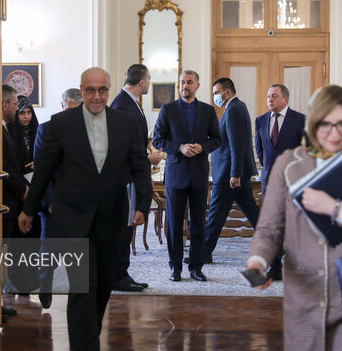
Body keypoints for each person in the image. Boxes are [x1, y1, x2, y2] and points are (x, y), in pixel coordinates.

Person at [247, 85, 342, 351]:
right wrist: (258, 260)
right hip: (303, 300)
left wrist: (335, 208)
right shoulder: (289, 166)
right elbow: (269, 228)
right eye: (324, 124)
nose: (333, 133)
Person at [18, 67, 152, 351]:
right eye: (90, 90)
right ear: (81, 90)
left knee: (102, 286)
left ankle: (89, 335)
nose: (96, 96)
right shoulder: (60, 124)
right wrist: (29, 210)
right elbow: (43, 172)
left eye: (102, 90)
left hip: (112, 217)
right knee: (82, 287)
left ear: (109, 90)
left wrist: (142, 203)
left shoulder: (125, 123)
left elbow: (140, 165)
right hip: (72, 219)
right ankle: (85, 345)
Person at [152, 70, 221, 282]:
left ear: (197, 86)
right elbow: (157, 140)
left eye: (189, 82)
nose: (185, 86)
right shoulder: (168, 109)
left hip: (199, 175)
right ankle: (175, 268)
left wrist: (202, 147)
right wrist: (179, 148)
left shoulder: (208, 111)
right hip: (176, 175)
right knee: (173, 224)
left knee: (199, 223)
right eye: (182, 82)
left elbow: (217, 139)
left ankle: (196, 267)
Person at [110, 64, 163, 292]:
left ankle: (122, 273)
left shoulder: (130, 103)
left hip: (132, 176)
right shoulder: (122, 105)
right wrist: (147, 160)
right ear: (142, 82)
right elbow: (121, 148)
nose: (149, 83)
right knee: (123, 227)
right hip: (124, 178)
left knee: (128, 225)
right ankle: (116, 276)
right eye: (149, 79)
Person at [33, 87, 83, 309]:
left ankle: (77, 295)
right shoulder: (46, 130)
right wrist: (51, 202)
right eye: (69, 109)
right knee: (49, 250)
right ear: (63, 105)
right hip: (52, 202)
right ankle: (45, 286)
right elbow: (42, 171)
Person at [203, 77, 260, 265]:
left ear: (227, 92)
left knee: (215, 214)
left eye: (217, 93)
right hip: (233, 171)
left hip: (229, 173)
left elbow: (237, 144)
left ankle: (203, 254)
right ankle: (275, 245)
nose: (215, 97)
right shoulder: (236, 107)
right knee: (251, 212)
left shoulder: (234, 109)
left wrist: (235, 173)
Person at [253, 84, 305, 280]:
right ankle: (275, 268)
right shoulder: (260, 120)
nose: (270, 100)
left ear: (286, 99)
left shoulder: (300, 120)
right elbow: (260, 151)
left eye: (274, 96)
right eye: (268, 96)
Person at [1, 85, 27, 322]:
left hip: (9, 203)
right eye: (15, 103)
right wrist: (24, 192)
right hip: (4, 203)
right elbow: (4, 169)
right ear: (4, 105)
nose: (17, 107)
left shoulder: (6, 129)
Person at [8, 95, 39, 173]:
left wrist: (38, 162)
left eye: (29, 112)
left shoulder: (38, 131)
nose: (26, 116)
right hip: (16, 175)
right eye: (22, 113)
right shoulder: (9, 132)